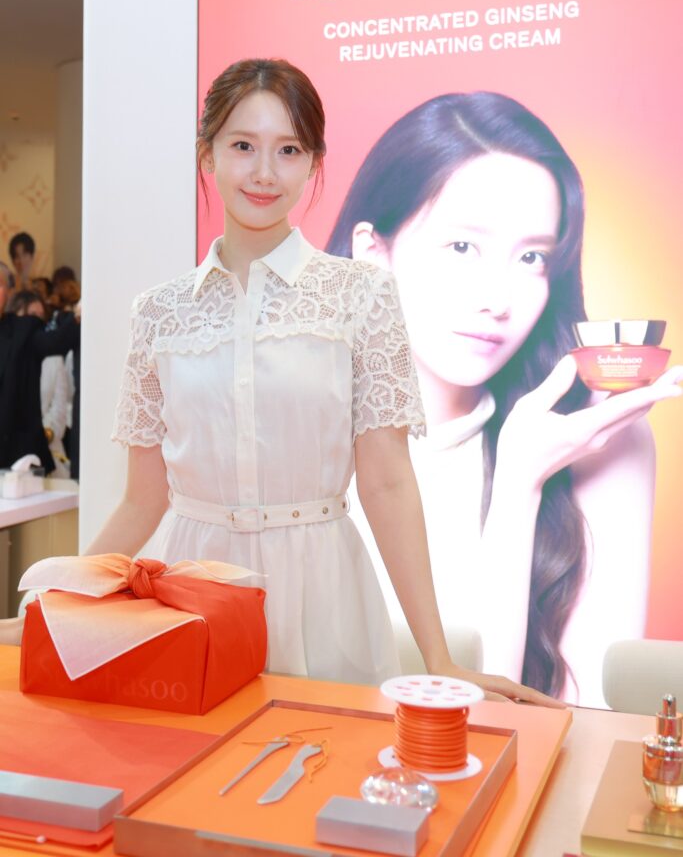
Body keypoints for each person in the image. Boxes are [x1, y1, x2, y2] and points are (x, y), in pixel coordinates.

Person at [0, 61, 557, 703]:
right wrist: (58, 601)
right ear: (207, 154)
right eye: (243, 146)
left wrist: (439, 657)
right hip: (195, 594)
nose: (265, 172)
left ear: (314, 163)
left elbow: (386, 482)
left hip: (324, 590)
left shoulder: (362, 295)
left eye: (288, 150)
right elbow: (142, 500)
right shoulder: (160, 312)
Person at [326, 91, 682, 705]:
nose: (498, 298)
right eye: (463, 247)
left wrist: (521, 481)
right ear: (373, 253)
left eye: (532, 257)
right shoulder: (289, 426)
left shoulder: (593, 435)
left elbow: (579, 722)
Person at [0, 266, 79, 475]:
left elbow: (55, 342)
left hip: (16, 459)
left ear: (9, 292)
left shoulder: (22, 330)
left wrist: (78, 316)